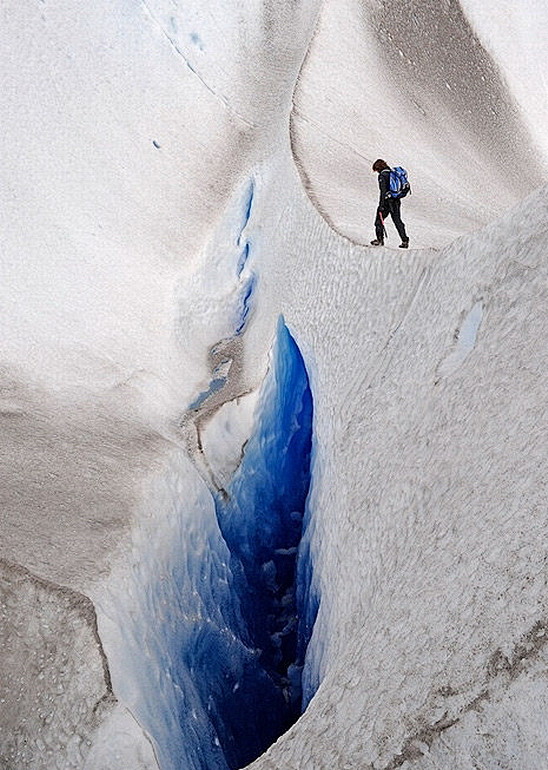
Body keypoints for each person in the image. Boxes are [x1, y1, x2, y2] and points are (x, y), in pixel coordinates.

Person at [370, 159, 409, 248]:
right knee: (397, 220)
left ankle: (380, 240)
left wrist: (381, 205)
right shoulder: (392, 173)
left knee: (378, 221)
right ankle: (405, 240)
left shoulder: (382, 176)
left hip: (387, 202)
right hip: (396, 200)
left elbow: (383, 191)